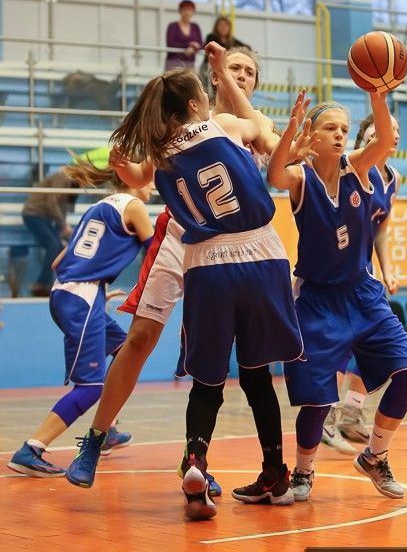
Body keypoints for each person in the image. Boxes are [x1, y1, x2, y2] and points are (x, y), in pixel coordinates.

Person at [66, 42, 310, 522]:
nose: (240, 75)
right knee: (142, 338)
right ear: (211, 81)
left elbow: (268, 152)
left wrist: (121, 164)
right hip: (192, 237)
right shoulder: (226, 125)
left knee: (216, 372)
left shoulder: (208, 132)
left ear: (254, 82)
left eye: (249, 71)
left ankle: (195, 459)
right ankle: (95, 438)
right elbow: (142, 174)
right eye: (232, 67)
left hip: (217, 249)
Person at [267, 91, 407, 503]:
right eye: (330, 128)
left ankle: (375, 455)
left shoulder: (359, 166)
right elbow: (274, 178)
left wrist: (377, 94)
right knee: (317, 400)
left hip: (363, 293)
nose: (339, 134)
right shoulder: (301, 177)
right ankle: (304, 471)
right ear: (313, 136)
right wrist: (290, 134)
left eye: (343, 128)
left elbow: (385, 139)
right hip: (317, 299)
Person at [8, 160, 154, 478]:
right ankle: (32, 448)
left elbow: (59, 262)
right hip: (82, 298)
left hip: (71, 293)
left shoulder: (98, 208)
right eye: (150, 178)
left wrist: (97, 285)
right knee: (90, 386)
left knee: (125, 350)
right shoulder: (134, 207)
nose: (154, 185)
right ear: (132, 177)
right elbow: (155, 254)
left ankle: (107, 429)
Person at [322, 113, 402, 452]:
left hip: (364, 271)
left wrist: (387, 269)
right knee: (343, 343)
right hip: (337, 267)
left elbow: (381, 229)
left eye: (396, 129)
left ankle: (351, 414)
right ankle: (326, 417)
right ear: (365, 135)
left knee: (372, 346)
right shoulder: (351, 169)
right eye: (383, 127)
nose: (390, 132)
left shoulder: (393, 178)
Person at [22, 169, 79, 297]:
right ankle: (41, 285)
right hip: (33, 214)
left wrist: (62, 228)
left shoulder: (76, 185)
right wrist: (63, 225)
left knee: (60, 245)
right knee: (54, 245)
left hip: (45, 218)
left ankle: (54, 284)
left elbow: (64, 207)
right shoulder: (62, 177)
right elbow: (51, 202)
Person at [199, 16, 249, 88]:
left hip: (223, 67)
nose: (223, 27)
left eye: (226, 25)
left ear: (229, 28)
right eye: (221, 25)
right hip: (208, 66)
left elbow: (247, 47)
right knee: (206, 85)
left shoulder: (231, 40)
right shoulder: (211, 37)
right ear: (216, 27)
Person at [165, 0, 203, 71]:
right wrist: (190, 45)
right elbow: (170, 44)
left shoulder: (195, 27)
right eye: (185, 9)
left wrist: (194, 48)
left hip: (190, 63)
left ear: (193, 12)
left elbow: (201, 44)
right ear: (180, 11)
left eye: (190, 10)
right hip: (173, 63)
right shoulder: (172, 26)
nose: (187, 12)